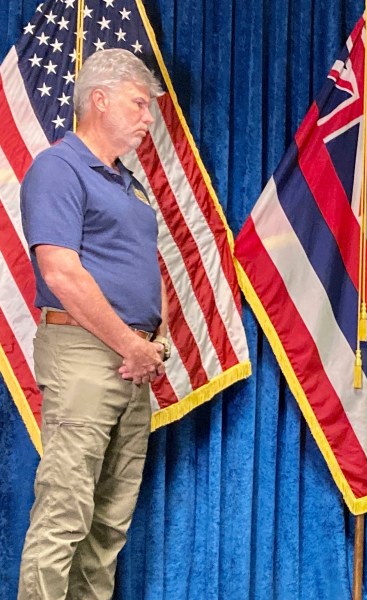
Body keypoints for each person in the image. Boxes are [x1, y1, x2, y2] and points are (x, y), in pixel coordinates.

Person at [18, 49, 171, 599]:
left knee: (108, 522)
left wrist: (151, 343)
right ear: (98, 99)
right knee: (65, 509)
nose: (148, 117)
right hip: (86, 354)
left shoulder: (126, 183)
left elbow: (144, 270)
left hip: (133, 363)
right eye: (139, 104)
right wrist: (130, 342)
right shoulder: (57, 167)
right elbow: (59, 270)